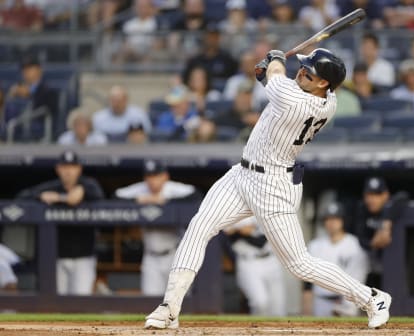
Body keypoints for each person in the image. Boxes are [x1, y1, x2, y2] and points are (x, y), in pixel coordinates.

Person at [144, 48, 392, 330]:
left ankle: (372, 298)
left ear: (324, 83)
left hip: (273, 185)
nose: (301, 72)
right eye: (302, 67)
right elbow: (276, 82)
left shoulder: (297, 100)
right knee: (198, 227)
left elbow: (277, 78)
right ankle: (169, 308)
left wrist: (275, 58)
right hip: (242, 174)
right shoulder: (325, 97)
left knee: (299, 264)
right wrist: (267, 75)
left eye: (309, 72)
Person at [17, 150, 104, 295]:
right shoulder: (52, 186)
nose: (68, 171)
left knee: (81, 302)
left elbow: (95, 196)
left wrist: (61, 197)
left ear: (79, 169)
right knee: (54, 302)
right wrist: (40, 196)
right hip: (55, 258)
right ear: (58, 169)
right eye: (64, 167)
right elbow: (21, 197)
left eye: (72, 167)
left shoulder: (88, 185)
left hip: (83, 258)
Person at [115, 159, 196, 296]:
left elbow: (195, 195)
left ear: (165, 176)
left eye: (156, 176)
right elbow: (115, 196)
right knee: (151, 301)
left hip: (174, 255)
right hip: (150, 257)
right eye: (149, 176)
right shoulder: (142, 189)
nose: (152, 181)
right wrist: (137, 200)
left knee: (180, 300)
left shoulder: (172, 188)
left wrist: (166, 202)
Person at [303, 203, 368, 317]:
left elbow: (358, 278)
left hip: (347, 303)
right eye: (328, 219)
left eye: (335, 218)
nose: (331, 222)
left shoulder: (353, 244)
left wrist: (347, 304)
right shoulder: (315, 245)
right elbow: (307, 281)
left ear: (343, 220)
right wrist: (306, 307)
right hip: (320, 301)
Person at [354, 177, 408, 290]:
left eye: (377, 195)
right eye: (369, 195)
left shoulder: (391, 207)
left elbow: (403, 196)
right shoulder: (362, 209)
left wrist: (386, 223)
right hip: (372, 268)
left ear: (385, 195)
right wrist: (373, 243)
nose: (372, 199)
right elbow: (361, 239)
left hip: (397, 267)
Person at [224, 216, 286, 316]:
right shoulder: (233, 210)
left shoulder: (267, 208)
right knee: (260, 302)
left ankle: (277, 331)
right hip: (248, 261)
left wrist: (240, 230)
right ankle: (258, 330)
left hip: (271, 260)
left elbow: (262, 241)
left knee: (277, 306)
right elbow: (227, 233)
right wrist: (241, 230)